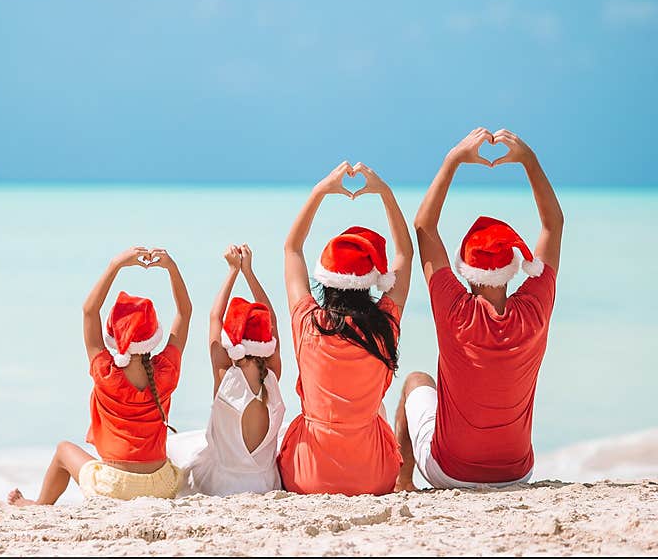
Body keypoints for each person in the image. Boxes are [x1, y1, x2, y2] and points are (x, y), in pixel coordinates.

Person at [395, 128, 563, 491]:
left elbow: (424, 226)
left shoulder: (454, 308)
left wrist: (453, 160)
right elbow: (554, 224)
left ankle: (402, 480)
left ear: (466, 272)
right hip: (517, 473)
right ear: (513, 269)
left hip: (450, 473)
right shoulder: (535, 308)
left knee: (416, 382)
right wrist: (529, 162)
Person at [8, 246, 192, 504]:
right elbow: (184, 312)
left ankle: (39, 505)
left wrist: (115, 264)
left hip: (115, 486)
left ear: (113, 338)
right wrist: (171, 267)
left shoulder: (105, 370)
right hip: (160, 485)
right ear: (152, 338)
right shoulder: (166, 370)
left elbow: (89, 311)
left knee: (63, 450)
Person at [278, 161, 414, 495]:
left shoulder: (308, 323)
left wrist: (320, 190)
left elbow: (292, 248)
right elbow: (405, 254)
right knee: (376, 409)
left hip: (307, 476)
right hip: (373, 478)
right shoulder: (383, 327)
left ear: (326, 280)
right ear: (370, 283)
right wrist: (384, 192)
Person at [185, 244, 286, 495]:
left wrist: (232, 271)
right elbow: (271, 318)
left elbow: (214, 319)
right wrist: (249, 272)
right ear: (267, 342)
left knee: (184, 453)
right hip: (265, 483)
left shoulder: (225, 377)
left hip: (221, 485)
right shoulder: (272, 375)